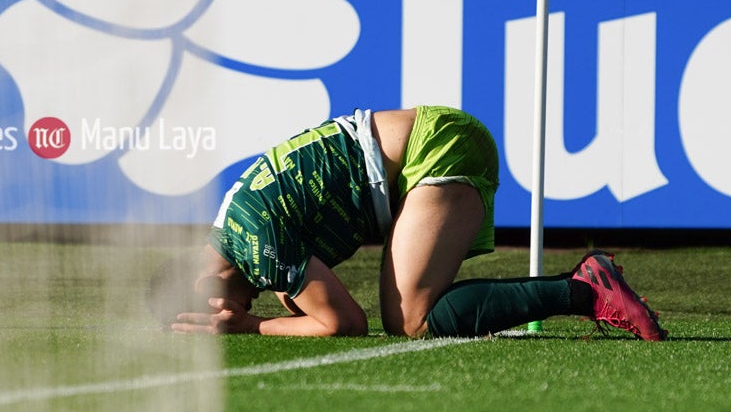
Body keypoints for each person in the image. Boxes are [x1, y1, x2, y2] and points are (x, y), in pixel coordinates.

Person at [150, 106, 666, 341]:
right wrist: (281, 298)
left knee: (411, 320)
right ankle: (582, 289)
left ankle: (583, 288)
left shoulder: (252, 243)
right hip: (432, 148)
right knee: (412, 312)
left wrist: (252, 325)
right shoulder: (234, 227)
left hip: (435, 151)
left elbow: (343, 324)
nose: (244, 306)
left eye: (219, 311)